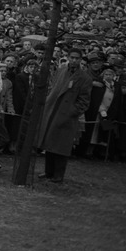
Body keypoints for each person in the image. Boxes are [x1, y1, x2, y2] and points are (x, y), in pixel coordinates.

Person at [34, 51, 93, 183]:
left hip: (67, 115)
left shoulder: (85, 78)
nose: (74, 60)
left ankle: (58, 175)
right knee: (49, 143)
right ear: (68, 58)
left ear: (81, 60)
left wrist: (72, 111)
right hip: (53, 111)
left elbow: (84, 101)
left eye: (77, 58)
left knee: (61, 146)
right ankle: (49, 171)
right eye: (72, 58)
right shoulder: (60, 71)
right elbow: (52, 87)